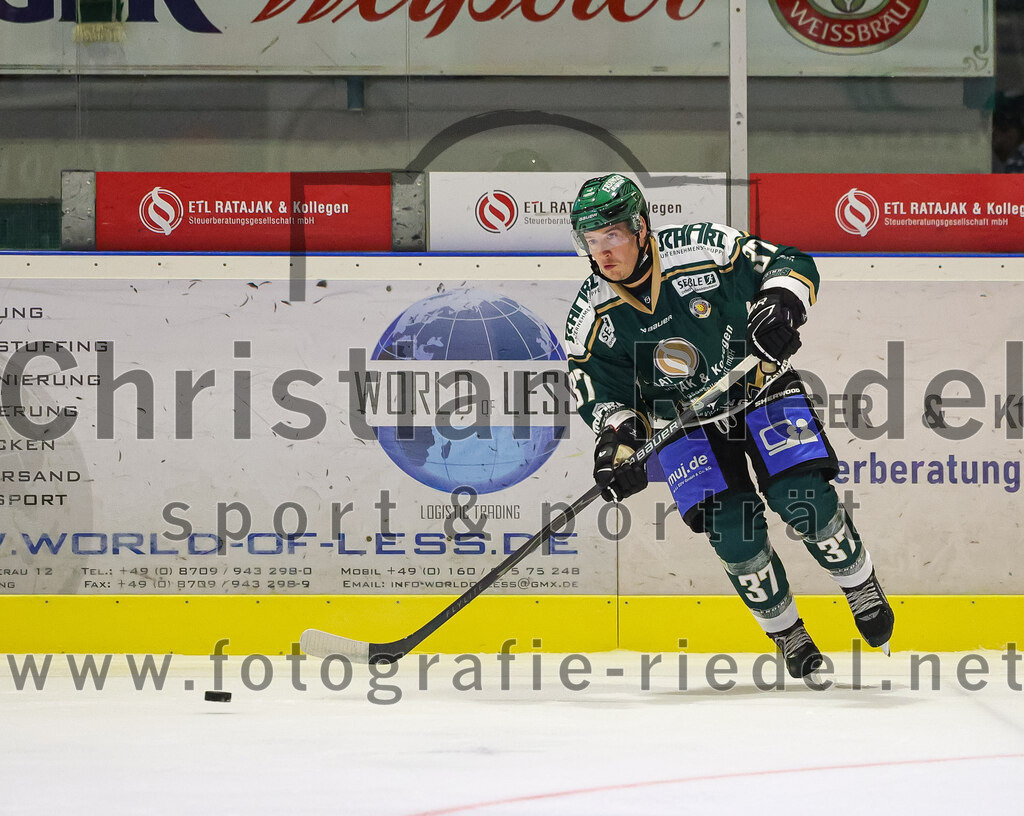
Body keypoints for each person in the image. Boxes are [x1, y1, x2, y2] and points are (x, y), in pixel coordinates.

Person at [563, 173, 894, 678]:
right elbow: (604, 397)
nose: (602, 252)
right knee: (734, 531)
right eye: (591, 240)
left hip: (760, 386)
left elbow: (790, 263)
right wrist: (619, 446)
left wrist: (780, 304)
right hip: (681, 423)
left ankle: (860, 583)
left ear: (641, 228)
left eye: (612, 235)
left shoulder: (702, 248)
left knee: (802, 499)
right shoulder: (590, 317)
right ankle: (788, 631)